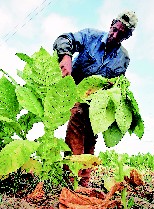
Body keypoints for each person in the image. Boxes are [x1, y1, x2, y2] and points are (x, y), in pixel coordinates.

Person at [53, 11, 138, 187]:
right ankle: (70, 178)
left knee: (91, 135)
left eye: (121, 34)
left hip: (97, 102)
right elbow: (64, 39)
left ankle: (83, 180)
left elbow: (117, 83)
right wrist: (66, 57)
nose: (114, 35)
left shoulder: (124, 58)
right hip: (76, 92)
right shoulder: (90, 36)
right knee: (77, 120)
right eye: (114, 29)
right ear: (111, 24)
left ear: (127, 36)